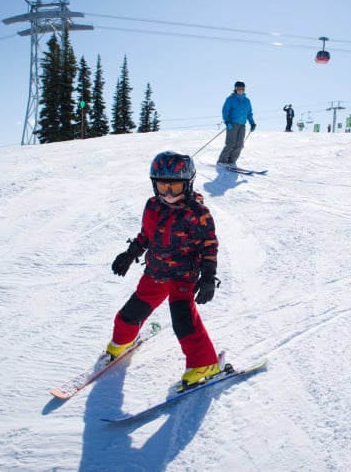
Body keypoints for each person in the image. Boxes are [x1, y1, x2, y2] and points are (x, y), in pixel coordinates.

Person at [107, 151, 221, 387]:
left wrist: (209, 276)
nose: (168, 194)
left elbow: (209, 247)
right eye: (162, 186)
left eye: (175, 187)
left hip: (182, 276)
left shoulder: (197, 214)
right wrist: (130, 254)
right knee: (129, 314)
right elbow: (146, 236)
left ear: (187, 185)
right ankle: (121, 343)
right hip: (155, 274)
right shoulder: (152, 206)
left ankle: (204, 364)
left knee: (183, 322)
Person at [217, 81, 256, 167]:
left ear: (244, 89)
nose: (240, 90)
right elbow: (225, 111)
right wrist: (227, 121)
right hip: (232, 124)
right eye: (238, 88)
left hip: (242, 125)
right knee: (231, 143)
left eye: (242, 89)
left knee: (240, 144)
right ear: (235, 89)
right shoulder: (230, 99)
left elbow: (249, 113)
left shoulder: (247, 101)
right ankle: (222, 161)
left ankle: (231, 161)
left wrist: (252, 123)